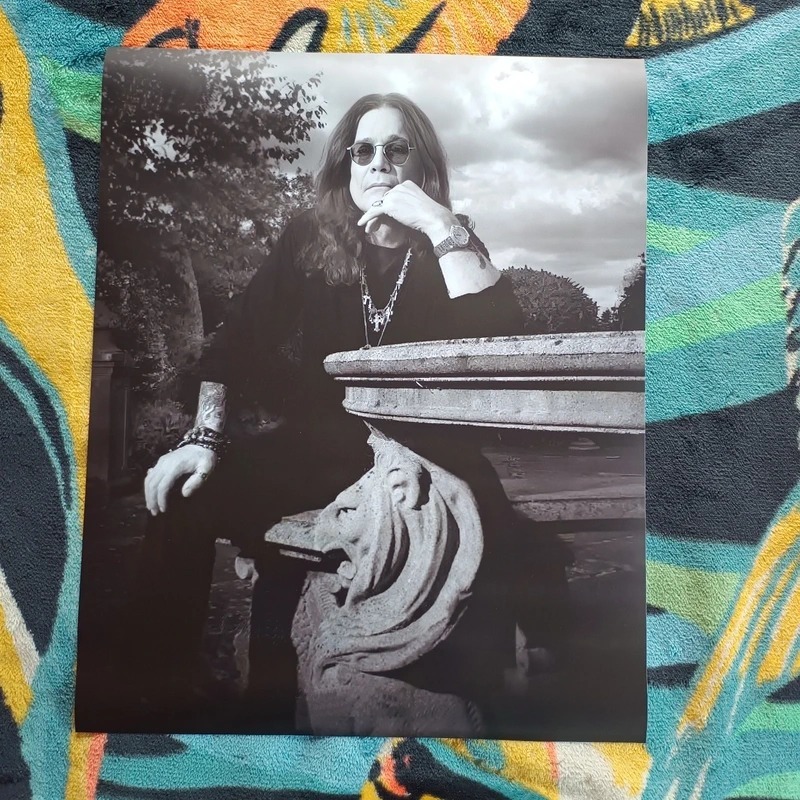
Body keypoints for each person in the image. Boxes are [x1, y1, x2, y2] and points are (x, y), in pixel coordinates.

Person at [131, 92, 537, 732]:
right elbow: (234, 341)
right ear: (347, 165)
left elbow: (501, 341)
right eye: (363, 151)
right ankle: (150, 706)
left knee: (486, 541)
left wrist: (441, 226)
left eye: (396, 150)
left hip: (427, 453)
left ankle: (483, 713)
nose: (378, 163)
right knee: (183, 496)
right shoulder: (311, 237)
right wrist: (203, 437)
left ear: (422, 166)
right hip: (319, 449)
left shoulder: (450, 242)